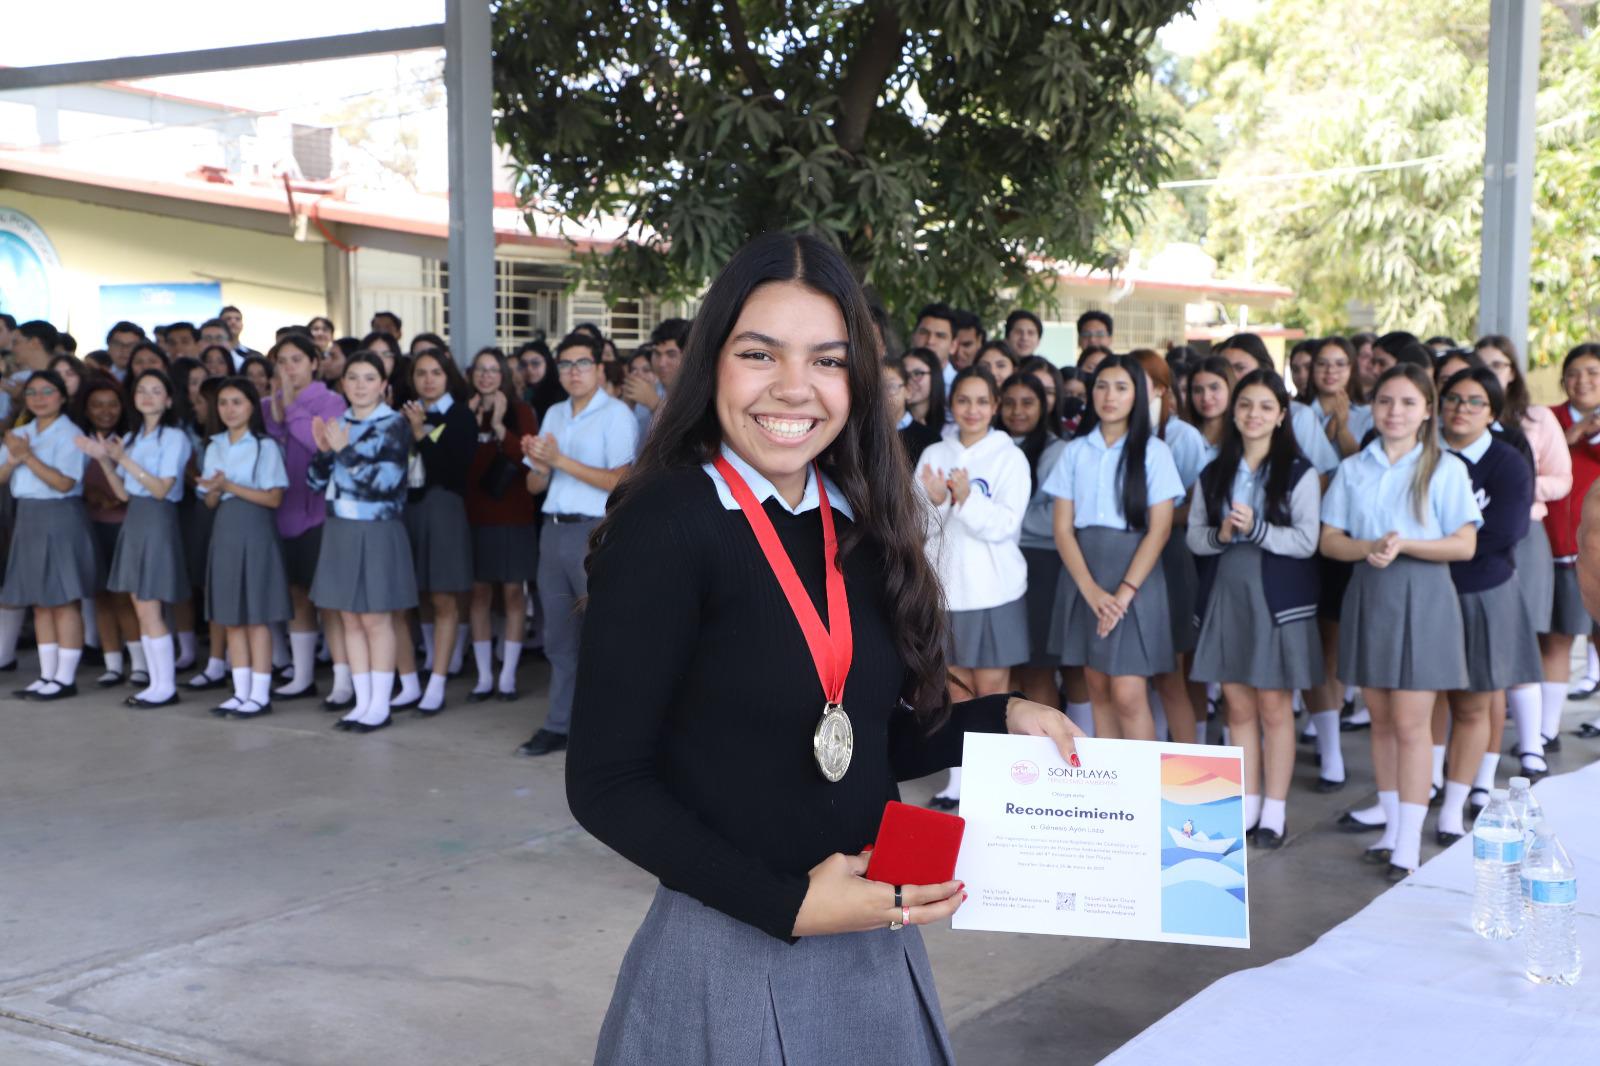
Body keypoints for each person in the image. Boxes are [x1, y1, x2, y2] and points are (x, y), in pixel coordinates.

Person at [565, 232, 1080, 1063]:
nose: (794, 387)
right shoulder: (667, 523)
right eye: (759, 354)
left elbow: (869, 736)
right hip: (728, 948)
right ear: (712, 363)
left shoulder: (864, 519)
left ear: (857, 380)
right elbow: (606, 783)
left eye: (827, 361)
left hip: (874, 937)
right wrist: (789, 905)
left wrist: (1004, 715)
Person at [1320, 363, 1481, 882]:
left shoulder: (1445, 468)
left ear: (1428, 410)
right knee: (1382, 720)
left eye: (1409, 402)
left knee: (1412, 724)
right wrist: (1369, 546)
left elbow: (1465, 543)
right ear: (1371, 407)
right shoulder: (1354, 468)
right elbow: (1330, 540)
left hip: (1425, 596)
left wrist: (1406, 544)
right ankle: (1391, 829)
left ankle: (1409, 844)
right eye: (1385, 401)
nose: (1395, 412)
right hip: (1369, 593)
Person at [1189, 370, 1323, 847]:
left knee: (1274, 706)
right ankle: (1245, 804)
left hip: (1277, 600)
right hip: (1228, 594)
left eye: (1266, 406)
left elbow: (1307, 540)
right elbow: (1194, 537)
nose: (1254, 414)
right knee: (1238, 704)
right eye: (1245, 404)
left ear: (1282, 415)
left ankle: (1275, 811)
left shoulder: (1298, 472)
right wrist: (1223, 534)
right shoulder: (1213, 472)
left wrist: (1258, 530)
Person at [1044, 355, 1185, 739]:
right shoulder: (1075, 451)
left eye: (1122, 387)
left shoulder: (1154, 452)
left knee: (1128, 693)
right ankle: (1111, 778)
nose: (1110, 396)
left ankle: (1142, 777)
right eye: (1102, 386)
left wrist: (1122, 595)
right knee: (1098, 687)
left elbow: (1159, 531)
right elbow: (1062, 529)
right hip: (1085, 575)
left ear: (1138, 395)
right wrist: (1091, 591)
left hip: (1135, 579)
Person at [516, 332, 639, 757]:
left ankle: (608, 729)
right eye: (565, 364)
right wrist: (540, 464)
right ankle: (559, 723)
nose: (573, 372)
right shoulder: (554, 412)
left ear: (599, 368)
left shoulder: (616, 414)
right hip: (553, 529)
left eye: (582, 363)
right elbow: (534, 485)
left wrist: (559, 460)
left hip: (594, 531)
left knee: (603, 635)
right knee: (558, 637)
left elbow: (621, 481)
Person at [916, 366, 1031, 810]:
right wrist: (935, 501)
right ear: (952, 404)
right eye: (964, 400)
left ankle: (994, 784)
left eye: (982, 401)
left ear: (995, 406)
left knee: (993, 691)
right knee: (953, 690)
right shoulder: (935, 452)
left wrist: (967, 498)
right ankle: (959, 781)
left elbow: (1006, 525)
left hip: (994, 590)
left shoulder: (1009, 458)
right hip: (946, 589)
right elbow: (916, 528)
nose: (972, 410)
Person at [1433, 366, 1540, 840]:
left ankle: (1454, 809)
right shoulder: (1424, 454)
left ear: (1492, 412)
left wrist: (1435, 546)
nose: (1462, 408)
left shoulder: (1507, 461)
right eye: (1454, 398)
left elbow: (1505, 531)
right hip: (1427, 589)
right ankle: (1425, 785)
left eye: (1475, 401)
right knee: (1424, 699)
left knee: (1474, 703)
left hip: (1483, 591)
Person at [1472, 338, 1574, 771]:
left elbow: (1562, 479)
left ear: (1513, 371)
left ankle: (1533, 743)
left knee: (1522, 635)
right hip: (1469, 538)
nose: (1491, 371)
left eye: (1499, 364)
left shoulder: (1536, 419)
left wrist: (1514, 487)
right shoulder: (1459, 419)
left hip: (1524, 531)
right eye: (1482, 364)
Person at [307, 353, 418, 733]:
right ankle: (362, 702)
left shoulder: (394, 424)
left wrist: (343, 450)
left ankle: (380, 705)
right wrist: (324, 452)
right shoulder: (339, 423)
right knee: (349, 617)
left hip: (377, 528)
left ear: (383, 385)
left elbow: (386, 483)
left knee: (375, 617)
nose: (360, 385)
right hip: (340, 526)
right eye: (352, 377)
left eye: (369, 378)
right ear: (343, 384)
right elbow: (313, 482)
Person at [79, 369, 193, 707]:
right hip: (135, 519)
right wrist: (105, 461)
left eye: (156, 390)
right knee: (141, 607)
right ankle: (157, 683)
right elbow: (123, 494)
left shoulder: (174, 437)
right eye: (142, 390)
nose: (147, 396)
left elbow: (161, 489)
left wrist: (123, 460)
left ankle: (165, 686)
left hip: (157, 519)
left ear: (168, 400)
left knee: (150, 606)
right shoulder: (130, 437)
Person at [198, 378, 292, 719]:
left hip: (255, 529)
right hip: (225, 530)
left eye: (237, 402)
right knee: (231, 617)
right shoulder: (214, 445)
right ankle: (240, 692)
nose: (229, 409)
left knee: (256, 617)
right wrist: (213, 490)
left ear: (252, 406)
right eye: (223, 403)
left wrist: (228, 486)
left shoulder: (265, 446)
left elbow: (274, 497)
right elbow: (210, 502)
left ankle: (260, 694)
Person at [264, 335, 350, 704]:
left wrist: (291, 408)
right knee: (296, 595)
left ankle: (343, 681)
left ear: (314, 363)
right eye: (282, 361)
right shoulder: (267, 404)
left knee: (329, 599)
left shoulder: (331, 401)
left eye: (296, 359)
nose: (289, 368)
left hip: (319, 513)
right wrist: (279, 407)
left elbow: (318, 445)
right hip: (281, 511)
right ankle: (302, 676)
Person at [0, 371, 96, 699]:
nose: (39, 398)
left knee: (63, 600)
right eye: (32, 392)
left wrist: (28, 457)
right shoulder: (19, 433)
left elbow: (64, 483)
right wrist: (14, 459)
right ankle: (47, 674)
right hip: (28, 516)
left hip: (60, 515)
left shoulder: (70, 434)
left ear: (62, 397)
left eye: (47, 391)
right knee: (39, 602)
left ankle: (65, 678)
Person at [1133, 349, 1210, 743]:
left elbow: (1199, 505)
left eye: (1138, 383)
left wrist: (1154, 519)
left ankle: (1188, 768)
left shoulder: (1182, 436)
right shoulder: (1113, 436)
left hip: (1169, 556)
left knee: (1169, 675)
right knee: (1128, 680)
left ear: (1162, 389)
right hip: (1125, 559)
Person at [402, 349, 478, 714]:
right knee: (419, 595)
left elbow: (453, 469)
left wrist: (420, 433)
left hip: (445, 510)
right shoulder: (405, 413)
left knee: (444, 597)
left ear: (448, 377)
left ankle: (438, 681)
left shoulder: (460, 415)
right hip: (409, 510)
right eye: (421, 373)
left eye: (436, 372)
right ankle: (431, 661)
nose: (428, 379)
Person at [463, 348, 540, 702]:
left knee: (512, 593)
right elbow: (455, 462)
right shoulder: (464, 411)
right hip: (474, 516)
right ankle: (483, 677)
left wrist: (498, 427)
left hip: (513, 515)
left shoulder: (520, 411)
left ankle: (507, 676)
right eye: (481, 369)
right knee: (479, 594)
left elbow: (529, 462)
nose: (486, 375)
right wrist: (469, 423)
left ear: (503, 376)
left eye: (493, 370)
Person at [999, 374, 1076, 726]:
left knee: (1037, 670)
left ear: (1044, 406)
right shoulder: (991, 445)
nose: (1017, 410)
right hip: (999, 566)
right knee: (1007, 669)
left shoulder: (1057, 450)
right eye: (1009, 402)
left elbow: (1053, 518)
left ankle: (1049, 747)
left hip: (1041, 566)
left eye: (1027, 402)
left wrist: (1000, 518)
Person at [1544, 344, 1600, 744]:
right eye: (1574, 373)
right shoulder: (1547, 419)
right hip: (1557, 546)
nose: (1583, 381)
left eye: (1593, 372)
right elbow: (1533, 464)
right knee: (1557, 637)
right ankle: (1546, 730)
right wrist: (1572, 435)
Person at [75, 378, 141, 687]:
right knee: (100, 597)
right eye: (97, 405)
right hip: (90, 525)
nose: (105, 411)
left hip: (123, 527)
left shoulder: (129, 442)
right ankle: (112, 664)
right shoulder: (79, 442)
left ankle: (139, 664)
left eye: (112, 404)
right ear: (86, 409)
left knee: (123, 598)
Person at [1305, 337, 1372, 458]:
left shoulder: (1368, 415)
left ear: (1352, 369)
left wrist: (1342, 428)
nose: (1330, 370)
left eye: (1340, 364)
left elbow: (1364, 463)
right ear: (1312, 368)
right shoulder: (1297, 412)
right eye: (1322, 364)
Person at [882, 359, 940, 468]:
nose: (883, 395)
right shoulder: (863, 434)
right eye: (877, 388)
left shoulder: (929, 439)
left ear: (908, 391)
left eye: (890, 387)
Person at [910, 303, 959, 393]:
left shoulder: (961, 386)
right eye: (924, 333)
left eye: (940, 336)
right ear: (913, 337)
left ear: (953, 346)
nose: (930, 341)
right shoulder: (896, 380)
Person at [901, 347, 946, 430]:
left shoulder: (951, 426)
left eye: (917, 373)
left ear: (934, 376)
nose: (909, 380)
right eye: (904, 374)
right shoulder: (888, 423)